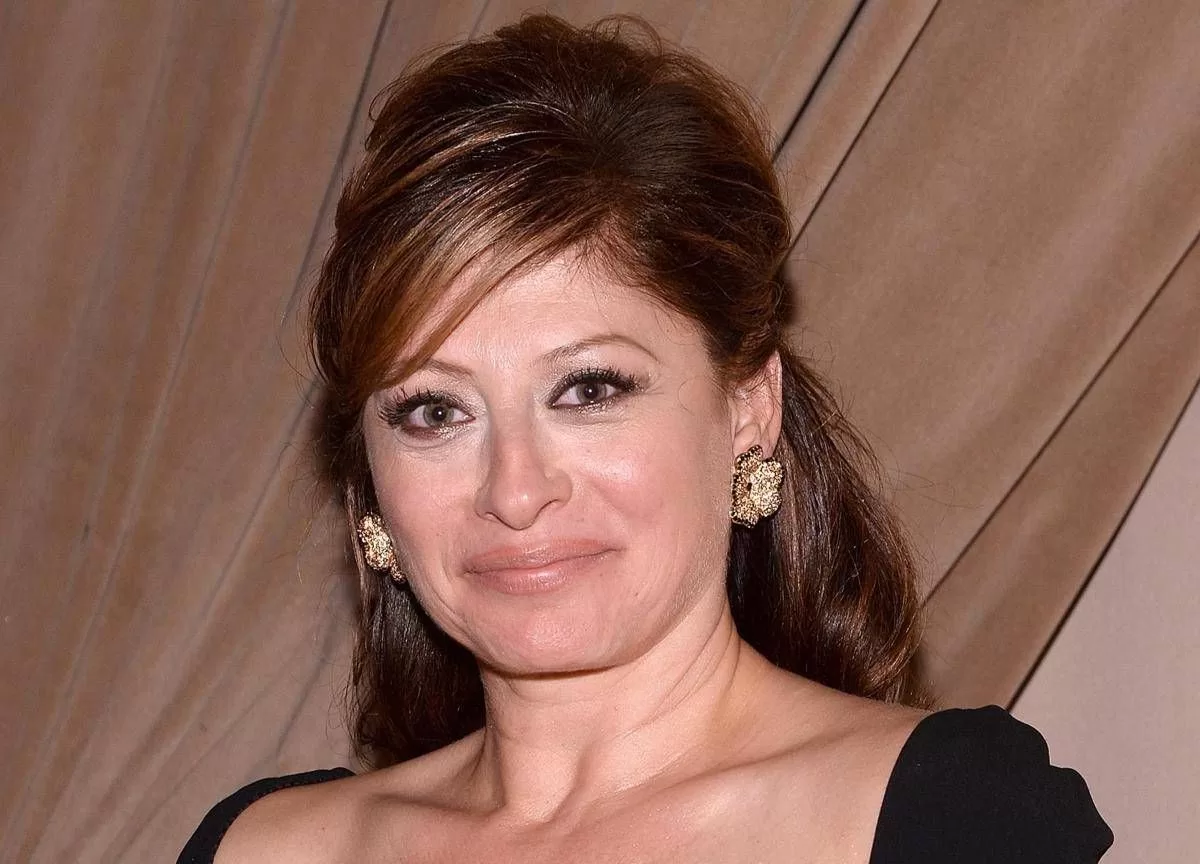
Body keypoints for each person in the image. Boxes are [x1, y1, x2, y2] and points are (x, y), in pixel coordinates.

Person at [179, 14, 1112, 864]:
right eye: (435, 412)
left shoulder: (946, 820)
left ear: (749, 407)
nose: (515, 490)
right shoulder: (261, 851)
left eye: (589, 390)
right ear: (371, 480)